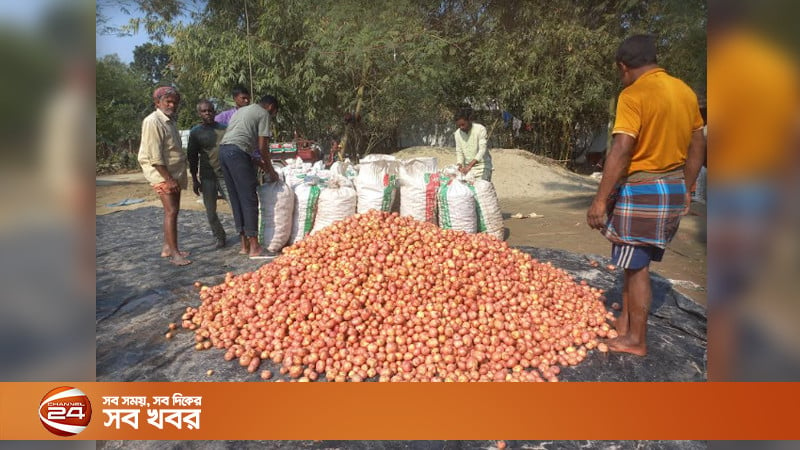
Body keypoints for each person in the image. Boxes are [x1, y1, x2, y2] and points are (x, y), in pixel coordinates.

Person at [586, 35, 705, 356]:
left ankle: (636, 340)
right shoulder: (684, 91)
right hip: (672, 186)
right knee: (633, 261)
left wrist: (600, 199)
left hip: (643, 189)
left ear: (623, 67)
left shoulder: (633, 94)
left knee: (637, 268)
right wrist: (689, 187)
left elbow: (623, 147)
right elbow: (698, 144)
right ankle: (626, 324)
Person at [218, 95, 280, 259]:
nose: (272, 116)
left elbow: (236, 142)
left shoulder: (242, 110)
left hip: (224, 152)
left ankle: (243, 246)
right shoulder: (263, 113)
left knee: (236, 198)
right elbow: (262, 146)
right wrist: (270, 170)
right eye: (273, 113)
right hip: (237, 153)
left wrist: (260, 164)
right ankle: (255, 248)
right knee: (249, 198)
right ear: (271, 107)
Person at [137, 86, 192, 266]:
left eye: (174, 102)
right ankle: (175, 254)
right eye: (167, 101)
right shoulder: (153, 122)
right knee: (171, 211)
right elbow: (155, 157)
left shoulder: (169, 121)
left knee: (172, 211)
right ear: (157, 103)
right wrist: (168, 179)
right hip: (162, 174)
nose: (171, 105)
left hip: (173, 173)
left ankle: (167, 248)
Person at [187, 99, 229, 249]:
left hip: (225, 175)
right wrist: (194, 179)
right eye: (204, 111)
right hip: (207, 177)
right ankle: (219, 237)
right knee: (211, 211)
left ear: (214, 111)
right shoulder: (196, 132)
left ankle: (245, 235)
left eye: (210, 110)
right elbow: (192, 157)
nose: (207, 113)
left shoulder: (225, 129)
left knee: (235, 205)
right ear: (199, 113)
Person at [454, 109, 493, 181]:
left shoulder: (480, 129)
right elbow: (459, 152)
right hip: (468, 169)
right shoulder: (457, 134)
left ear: (469, 120)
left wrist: (470, 166)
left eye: (463, 124)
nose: (461, 127)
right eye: (459, 126)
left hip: (483, 167)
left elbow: (482, 150)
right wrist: (459, 165)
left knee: (482, 190)